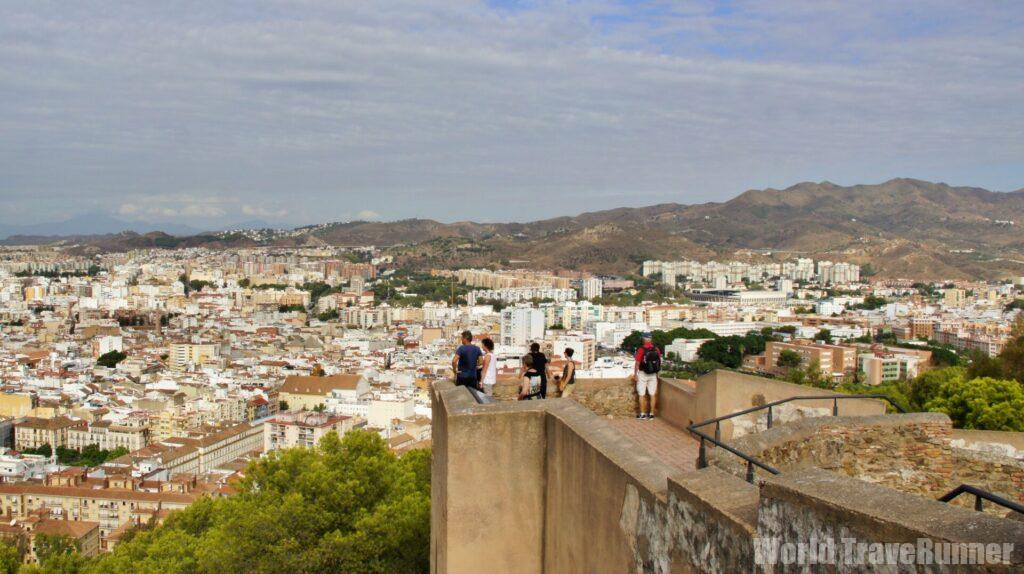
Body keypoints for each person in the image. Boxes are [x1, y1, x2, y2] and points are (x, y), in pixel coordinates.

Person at [632, 333, 662, 420]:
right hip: (653, 374)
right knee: (652, 394)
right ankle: (652, 414)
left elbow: (637, 363)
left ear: (643, 339)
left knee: (641, 394)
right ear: (651, 339)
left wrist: (635, 374)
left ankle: (642, 414)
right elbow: (659, 361)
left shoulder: (641, 349)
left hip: (643, 373)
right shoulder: (656, 349)